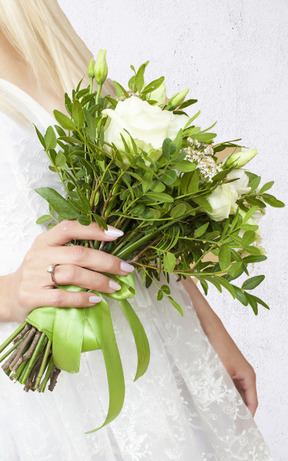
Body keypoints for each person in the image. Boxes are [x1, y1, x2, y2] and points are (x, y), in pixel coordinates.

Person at [0, 1, 273, 459]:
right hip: (42, 394)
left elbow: (128, 220)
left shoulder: (41, 44)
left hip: (160, 361)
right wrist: (10, 293)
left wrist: (210, 329)